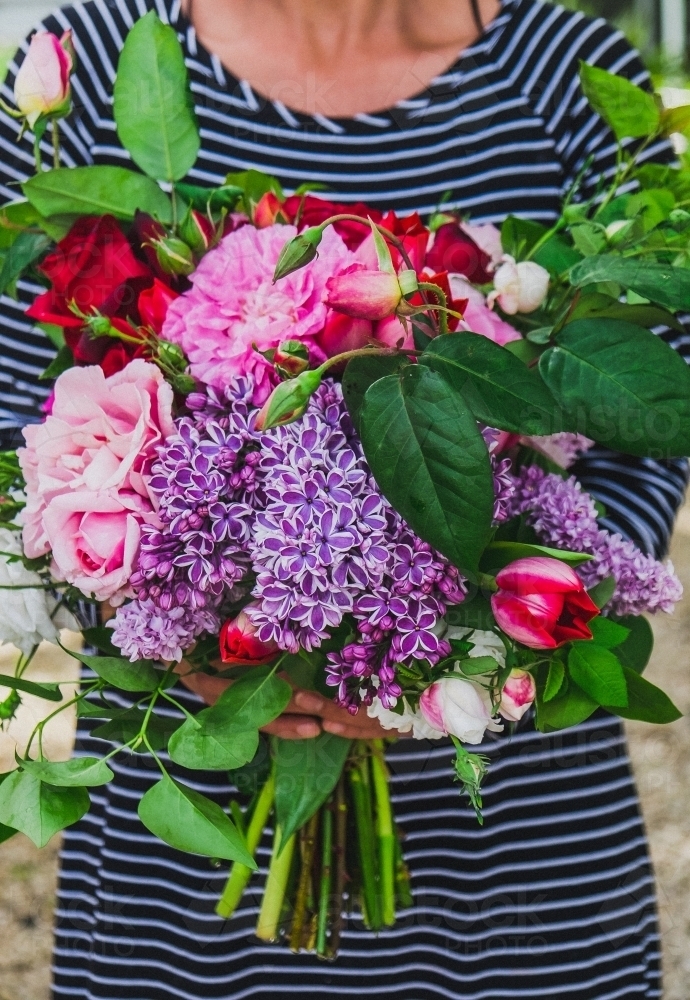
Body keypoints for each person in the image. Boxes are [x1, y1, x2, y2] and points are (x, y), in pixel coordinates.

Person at [0, 1, 688, 997]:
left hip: (513, 880)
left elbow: (643, 443)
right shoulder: (96, 56)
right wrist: (191, 637)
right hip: (183, 896)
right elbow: (22, 448)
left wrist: (458, 661)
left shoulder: (565, 72)